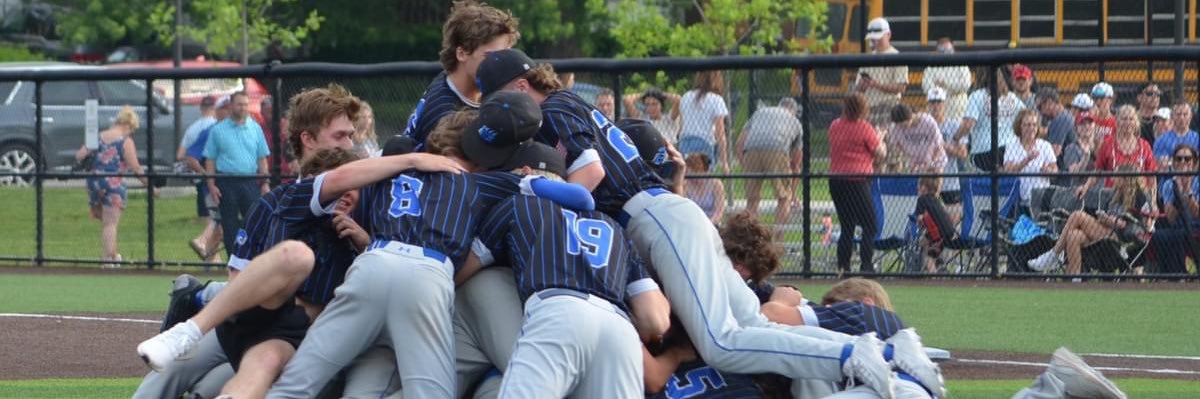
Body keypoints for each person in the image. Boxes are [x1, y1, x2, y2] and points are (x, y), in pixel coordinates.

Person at [477, 48, 945, 399]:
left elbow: (591, 173)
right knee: (752, 324)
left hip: (656, 217)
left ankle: (872, 354)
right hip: (668, 214)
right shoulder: (573, 105)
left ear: (519, 88)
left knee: (723, 342)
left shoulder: (555, 109)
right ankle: (892, 366)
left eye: (499, 98)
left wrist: (546, 198)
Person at [267, 94, 595, 399]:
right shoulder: (479, 181)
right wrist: (522, 178)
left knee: (297, 383)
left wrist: (406, 159)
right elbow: (582, 198)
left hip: (373, 264)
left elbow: (342, 177)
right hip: (427, 276)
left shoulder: (393, 171)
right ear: (480, 157)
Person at [134, 84, 393, 399]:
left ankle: (200, 297)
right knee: (176, 364)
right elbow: (240, 284)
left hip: (307, 335)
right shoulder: (274, 203)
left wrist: (364, 242)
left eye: (352, 135)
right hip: (254, 319)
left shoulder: (362, 202)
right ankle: (196, 309)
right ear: (307, 139)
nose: (351, 144)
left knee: (220, 384)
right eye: (340, 136)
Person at [457, 142, 671, 398]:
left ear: (525, 173)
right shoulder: (612, 226)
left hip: (558, 313)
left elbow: (461, 271)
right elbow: (655, 320)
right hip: (618, 329)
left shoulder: (518, 204)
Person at [401, 0, 520, 150]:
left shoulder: (461, 82)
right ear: (462, 53)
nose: (501, 63)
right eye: (491, 56)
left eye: (505, 55)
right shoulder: (445, 117)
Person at [1030, 163, 1150, 275]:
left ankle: (1055, 254)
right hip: (1105, 230)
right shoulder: (1115, 195)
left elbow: (1134, 227)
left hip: (1119, 238)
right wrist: (1104, 219)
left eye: (1116, 176)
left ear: (1125, 180)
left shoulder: (1139, 197)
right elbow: (1108, 216)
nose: (1112, 178)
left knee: (1077, 215)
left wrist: (1112, 221)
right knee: (1073, 235)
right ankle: (1075, 280)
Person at [75, 106, 154, 268]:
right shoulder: (125, 141)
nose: (131, 132)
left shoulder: (98, 137)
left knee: (105, 223)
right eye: (132, 129)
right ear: (128, 125)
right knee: (111, 223)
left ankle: (112, 254)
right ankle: (108, 259)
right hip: (114, 184)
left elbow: (80, 155)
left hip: (94, 182)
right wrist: (150, 185)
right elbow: (135, 167)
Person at [204, 91, 271, 258]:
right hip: (226, 182)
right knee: (229, 225)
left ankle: (251, 259)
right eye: (239, 104)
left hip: (250, 181)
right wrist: (211, 185)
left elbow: (262, 158)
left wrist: (265, 183)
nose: (243, 108)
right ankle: (233, 261)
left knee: (253, 222)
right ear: (231, 106)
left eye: (246, 104)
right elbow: (210, 159)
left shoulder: (255, 129)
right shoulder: (218, 130)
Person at [829, 93, 887, 274]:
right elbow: (880, 153)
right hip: (858, 181)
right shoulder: (864, 127)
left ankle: (843, 267)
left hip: (837, 180)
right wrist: (880, 137)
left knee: (847, 225)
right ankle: (866, 266)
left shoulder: (835, 125)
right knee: (870, 224)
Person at [737, 97, 802, 227]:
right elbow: (796, 162)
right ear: (793, 111)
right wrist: (792, 193)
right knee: (784, 198)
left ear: (779, 106)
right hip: (777, 149)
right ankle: (779, 238)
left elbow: (739, 143)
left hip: (751, 149)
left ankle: (752, 238)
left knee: (752, 199)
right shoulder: (795, 122)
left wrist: (745, 164)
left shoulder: (759, 113)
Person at [1078, 106, 1157, 205]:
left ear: (1136, 122)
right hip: (1113, 196)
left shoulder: (1144, 146)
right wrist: (1085, 187)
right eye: (1124, 119)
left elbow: (1152, 177)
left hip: (1139, 198)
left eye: (1131, 119)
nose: (1127, 122)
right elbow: (1097, 171)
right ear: (1117, 121)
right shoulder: (1108, 144)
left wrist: (1153, 201)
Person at [954, 66, 1026, 171]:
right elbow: (1025, 118)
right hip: (1009, 150)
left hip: (984, 151)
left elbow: (968, 124)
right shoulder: (1013, 98)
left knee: (971, 170)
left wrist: (956, 137)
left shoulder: (977, 96)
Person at [180, 96, 223, 262]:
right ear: (215, 109)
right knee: (218, 218)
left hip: (216, 184)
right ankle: (202, 242)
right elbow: (189, 156)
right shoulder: (211, 129)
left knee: (219, 224)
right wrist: (207, 174)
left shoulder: (194, 127)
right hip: (212, 185)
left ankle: (211, 260)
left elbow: (181, 154)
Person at [1151, 144, 1200, 275]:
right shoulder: (1169, 184)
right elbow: (1171, 218)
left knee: (1182, 234)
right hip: (1179, 225)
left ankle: (1181, 274)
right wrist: (1178, 192)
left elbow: (1197, 214)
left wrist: (1188, 191)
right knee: (1159, 236)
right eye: (1179, 159)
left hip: (1196, 225)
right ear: (1174, 163)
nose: (1183, 162)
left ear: (1194, 163)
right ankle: (1171, 276)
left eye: (1187, 159)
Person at [855, 17, 908, 129]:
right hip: (868, 107)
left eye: (878, 38)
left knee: (887, 141)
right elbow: (857, 88)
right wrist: (862, 85)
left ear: (888, 35)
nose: (875, 41)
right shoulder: (866, 58)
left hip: (889, 106)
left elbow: (901, 87)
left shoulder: (897, 57)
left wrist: (876, 84)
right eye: (873, 39)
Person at [678, 70, 731, 172]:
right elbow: (720, 133)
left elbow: (681, 127)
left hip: (685, 142)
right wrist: (724, 161)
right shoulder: (716, 100)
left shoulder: (686, 96)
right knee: (705, 181)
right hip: (704, 143)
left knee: (687, 180)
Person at [1004, 109, 1057, 206]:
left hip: (1041, 198)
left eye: (1034, 124)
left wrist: (1047, 170)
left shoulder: (1045, 145)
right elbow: (1008, 170)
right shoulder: (1012, 145)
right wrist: (1026, 160)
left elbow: (1055, 170)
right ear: (1020, 126)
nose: (1031, 128)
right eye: (1028, 125)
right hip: (1020, 199)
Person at [929, 87, 968, 209]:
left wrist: (943, 145)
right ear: (928, 104)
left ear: (944, 104)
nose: (936, 106)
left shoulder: (954, 125)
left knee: (952, 220)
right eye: (933, 102)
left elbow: (963, 153)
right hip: (929, 182)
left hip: (951, 182)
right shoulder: (924, 126)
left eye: (939, 102)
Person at [920, 37, 972, 121]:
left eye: (949, 50)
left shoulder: (961, 65)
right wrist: (953, 89)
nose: (946, 53)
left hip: (958, 114)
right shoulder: (930, 66)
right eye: (942, 51)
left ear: (953, 51)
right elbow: (926, 87)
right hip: (936, 116)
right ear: (937, 52)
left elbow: (966, 85)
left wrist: (945, 84)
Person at [914, 176, 958, 272]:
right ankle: (939, 263)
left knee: (928, 257)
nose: (918, 188)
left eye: (919, 185)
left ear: (923, 188)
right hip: (949, 232)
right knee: (924, 243)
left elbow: (919, 218)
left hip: (938, 234)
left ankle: (934, 277)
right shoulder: (936, 200)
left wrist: (919, 222)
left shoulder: (922, 199)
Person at [886, 103, 946, 172]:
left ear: (910, 117)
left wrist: (930, 162)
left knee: (934, 180)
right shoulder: (896, 127)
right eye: (900, 125)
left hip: (935, 157)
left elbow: (939, 143)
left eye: (904, 125)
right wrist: (909, 155)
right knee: (920, 181)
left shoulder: (928, 121)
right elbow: (897, 144)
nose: (902, 127)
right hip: (916, 162)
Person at [683, 152, 725, 225]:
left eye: (696, 172)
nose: (691, 175)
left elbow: (719, 212)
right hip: (693, 223)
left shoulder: (716, 184)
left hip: (712, 223)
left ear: (704, 171)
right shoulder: (685, 185)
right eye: (689, 172)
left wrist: (708, 224)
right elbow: (685, 211)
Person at [1059, 111, 1098, 187]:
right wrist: (1085, 158)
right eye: (1082, 124)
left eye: (1089, 123)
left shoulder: (1099, 145)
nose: (1086, 126)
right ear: (1076, 128)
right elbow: (1074, 172)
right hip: (1078, 188)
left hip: (1099, 189)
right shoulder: (1072, 148)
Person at [1036, 87, 1077, 159]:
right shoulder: (1065, 114)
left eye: (1040, 107)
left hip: (1063, 167)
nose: (1041, 112)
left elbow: (1054, 152)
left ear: (1049, 103)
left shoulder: (1059, 120)